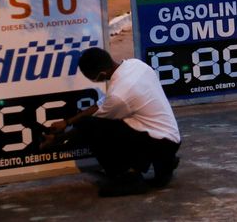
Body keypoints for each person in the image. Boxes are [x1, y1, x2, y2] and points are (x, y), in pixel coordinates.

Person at [41, 47, 181, 197]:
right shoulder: (135, 65)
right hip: (170, 137)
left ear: (101, 73)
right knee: (102, 125)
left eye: (91, 77)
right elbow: (100, 104)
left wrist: (57, 140)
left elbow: (90, 127)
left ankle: (129, 179)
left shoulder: (119, 95)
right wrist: (67, 122)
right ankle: (165, 163)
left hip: (157, 143)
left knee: (95, 130)